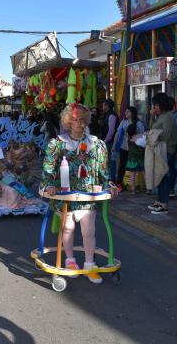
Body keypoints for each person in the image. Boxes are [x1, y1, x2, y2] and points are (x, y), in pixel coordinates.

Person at [41, 103, 118, 284]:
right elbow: (49, 169)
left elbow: (103, 172)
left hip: (87, 196)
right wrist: (50, 184)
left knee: (89, 231)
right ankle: (70, 261)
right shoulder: (57, 144)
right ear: (68, 121)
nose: (79, 123)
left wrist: (110, 185)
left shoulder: (96, 145)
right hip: (66, 196)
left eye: (82, 120)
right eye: (75, 119)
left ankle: (90, 264)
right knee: (67, 229)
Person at [147, 92, 177, 214]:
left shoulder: (169, 117)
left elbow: (166, 135)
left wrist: (154, 136)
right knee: (160, 176)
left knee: (164, 176)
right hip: (159, 149)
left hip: (167, 150)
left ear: (161, 105)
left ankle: (164, 204)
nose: (154, 108)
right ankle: (159, 201)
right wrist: (151, 116)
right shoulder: (160, 116)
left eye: (156, 105)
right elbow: (151, 128)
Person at [112, 106, 144, 184]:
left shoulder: (138, 122)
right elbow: (117, 133)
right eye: (126, 111)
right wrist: (114, 145)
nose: (126, 113)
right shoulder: (124, 121)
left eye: (128, 111)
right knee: (122, 164)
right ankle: (120, 183)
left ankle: (135, 184)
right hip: (124, 146)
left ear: (132, 113)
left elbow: (143, 135)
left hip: (134, 148)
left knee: (135, 165)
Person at [99, 99, 119, 182]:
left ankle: (112, 179)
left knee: (111, 161)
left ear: (107, 106)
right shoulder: (107, 115)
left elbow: (111, 131)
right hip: (108, 142)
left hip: (110, 142)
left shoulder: (111, 116)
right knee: (107, 161)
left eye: (103, 105)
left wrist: (105, 141)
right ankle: (109, 178)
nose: (102, 107)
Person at [123, 123, 145, 194]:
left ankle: (133, 189)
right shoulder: (137, 138)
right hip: (139, 158)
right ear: (135, 131)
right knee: (144, 172)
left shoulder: (129, 139)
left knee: (133, 174)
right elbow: (141, 146)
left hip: (131, 159)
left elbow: (128, 149)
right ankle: (148, 187)